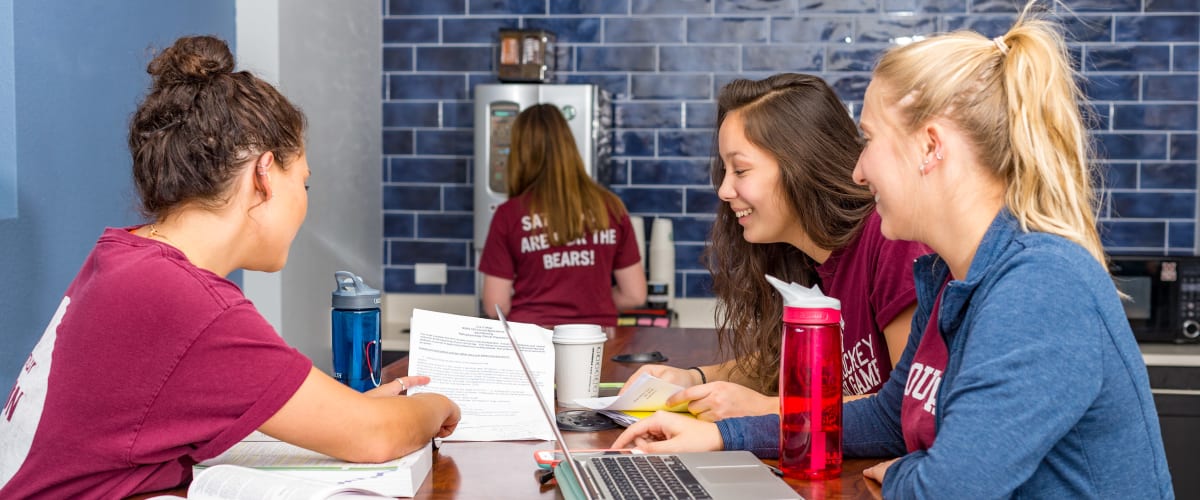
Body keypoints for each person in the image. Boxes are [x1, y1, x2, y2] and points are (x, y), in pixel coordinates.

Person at [611, 4, 1174, 498]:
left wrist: (902, 474)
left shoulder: (1042, 285)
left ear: (931, 148)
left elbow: (950, 487)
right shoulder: (949, 278)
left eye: (869, 139)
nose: (857, 169)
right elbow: (887, 417)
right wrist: (719, 435)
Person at [0, 36, 460, 498]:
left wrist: (344, 409)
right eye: (303, 183)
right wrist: (437, 405)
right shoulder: (186, 301)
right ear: (264, 175)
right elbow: (375, 435)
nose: (304, 203)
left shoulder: (126, 257)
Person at [620, 74, 930, 421]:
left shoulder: (891, 242)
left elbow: (908, 407)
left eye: (740, 170)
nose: (724, 190)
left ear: (802, 164)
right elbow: (777, 361)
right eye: (725, 170)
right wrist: (693, 379)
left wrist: (766, 408)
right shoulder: (804, 256)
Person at [479, 103, 645, 327]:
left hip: (532, 343)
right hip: (596, 341)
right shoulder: (610, 207)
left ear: (519, 154)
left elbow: (495, 305)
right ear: (569, 145)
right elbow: (635, 295)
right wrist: (592, 305)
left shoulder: (509, 215)